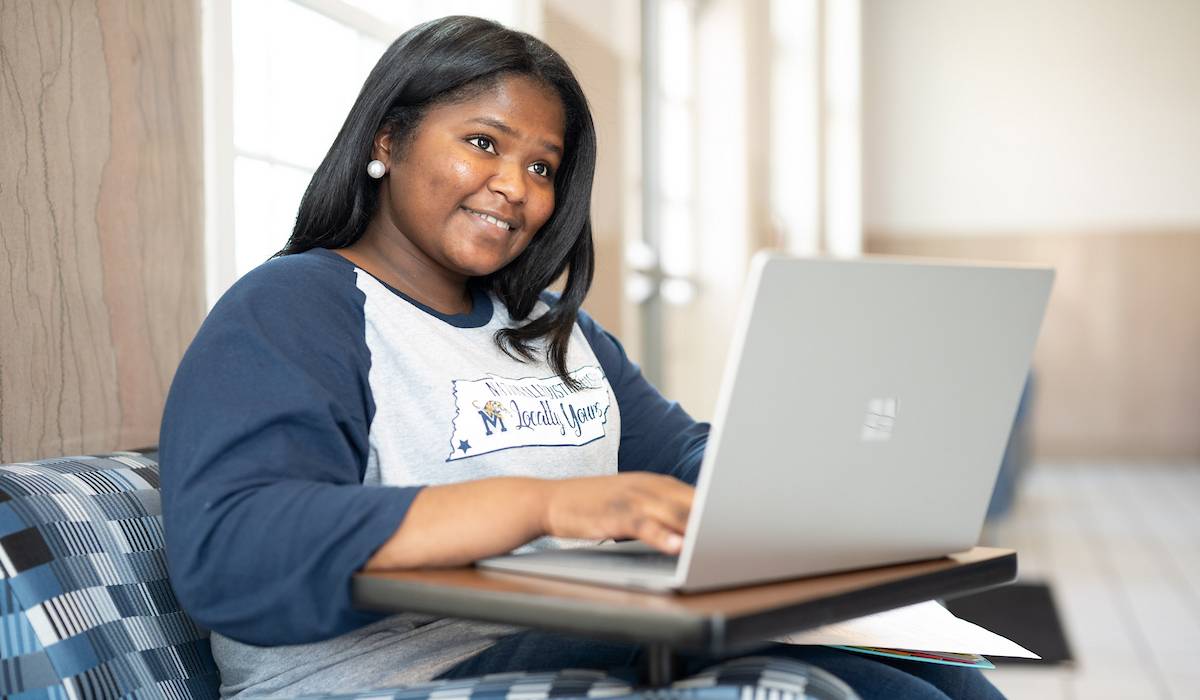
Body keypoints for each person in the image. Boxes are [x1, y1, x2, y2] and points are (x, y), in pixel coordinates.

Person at [159, 15, 1004, 700]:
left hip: (577, 637)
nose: (516, 187)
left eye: (542, 166)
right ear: (388, 139)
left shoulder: (551, 326)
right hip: (393, 675)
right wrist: (546, 506)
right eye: (482, 143)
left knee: (939, 676)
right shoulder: (296, 308)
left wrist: (817, 475)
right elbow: (236, 547)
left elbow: (679, 457)